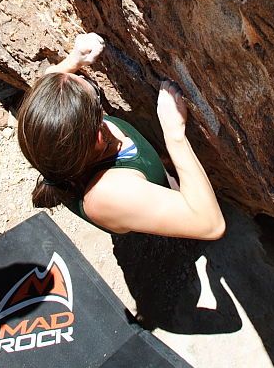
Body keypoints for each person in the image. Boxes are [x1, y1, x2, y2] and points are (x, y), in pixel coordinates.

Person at [17, 33, 225, 239]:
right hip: (126, 204)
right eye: (94, 92)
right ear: (99, 135)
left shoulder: (40, 131)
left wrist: (73, 61)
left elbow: (46, 86)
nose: (82, 76)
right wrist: (174, 133)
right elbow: (210, 225)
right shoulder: (107, 193)